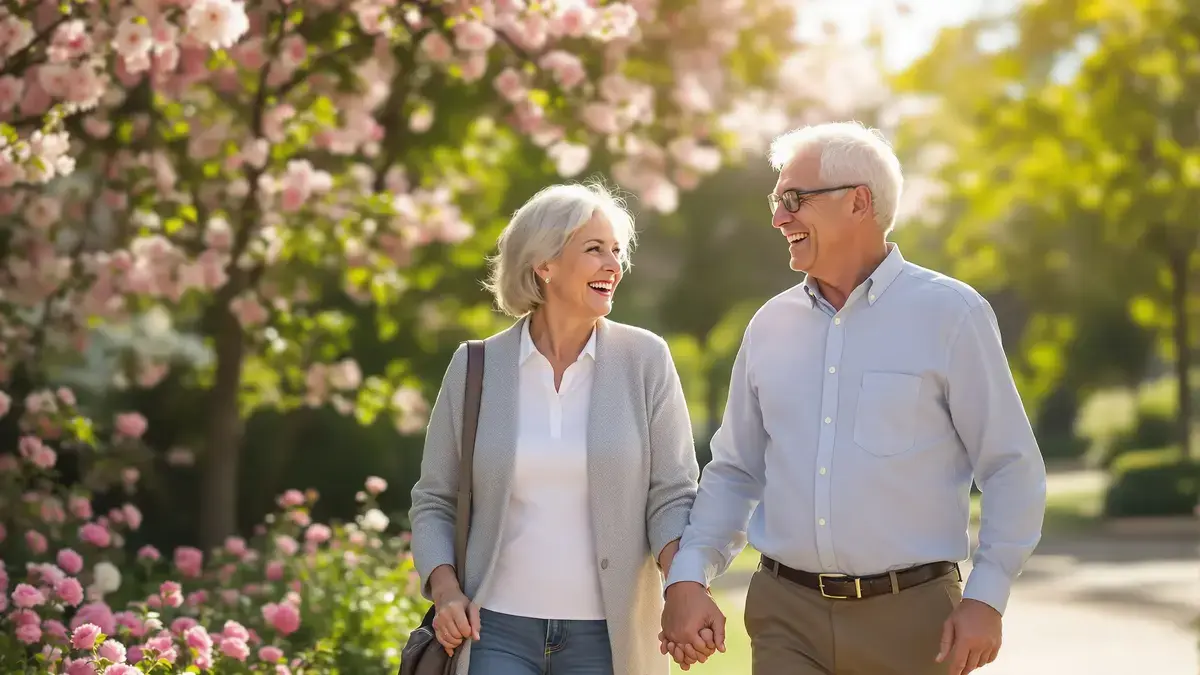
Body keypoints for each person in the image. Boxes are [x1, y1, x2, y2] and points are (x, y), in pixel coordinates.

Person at [658, 121, 1048, 675]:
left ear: (859, 202)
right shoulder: (769, 325)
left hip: (915, 621)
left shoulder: (952, 314)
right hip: (785, 616)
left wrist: (987, 596)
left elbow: (1010, 466)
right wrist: (689, 576)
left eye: (795, 199)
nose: (779, 218)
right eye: (776, 201)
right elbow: (736, 470)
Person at [409, 181, 700, 675]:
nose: (613, 265)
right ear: (544, 265)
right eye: (594, 249)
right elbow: (435, 499)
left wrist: (683, 586)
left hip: (607, 637)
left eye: (616, 251)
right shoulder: (476, 366)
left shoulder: (646, 360)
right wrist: (445, 590)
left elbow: (671, 494)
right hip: (493, 630)